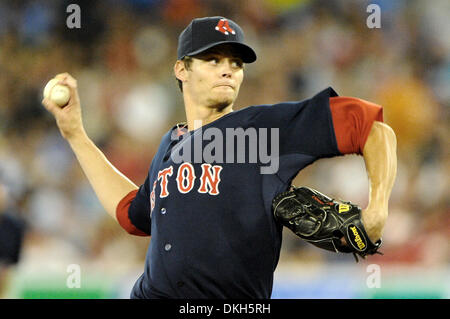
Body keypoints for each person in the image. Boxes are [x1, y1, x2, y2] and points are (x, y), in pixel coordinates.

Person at [42, 16, 397, 299]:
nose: (228, 69)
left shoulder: (264, 128)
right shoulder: (170, 144)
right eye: (212, 59)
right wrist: (76, 134)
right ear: (182, 69)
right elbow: (132, 214)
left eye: (235, 62)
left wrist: (378, 209)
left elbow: (373, 127)